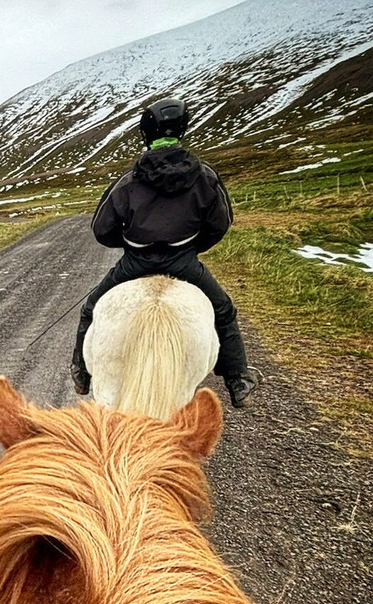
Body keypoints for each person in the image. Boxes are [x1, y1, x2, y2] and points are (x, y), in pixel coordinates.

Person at [70, 97, 261, 408]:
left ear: (147, 133)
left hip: (134, 262)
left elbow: (101, 229)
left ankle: (81, 373)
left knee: (91, 309)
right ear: (182, 130)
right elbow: (221, 223)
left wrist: (130, 242)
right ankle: (238, 378)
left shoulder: (129, 181)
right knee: (223, 311)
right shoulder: (205, 176)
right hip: (184, 260)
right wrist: (191, 246)